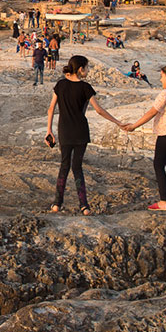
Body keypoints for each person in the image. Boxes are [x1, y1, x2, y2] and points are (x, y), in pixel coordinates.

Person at [44, 55, 121, 216]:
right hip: (80, 131)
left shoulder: (60, 85)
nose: (88, 70)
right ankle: (84, 206)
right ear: (80, 69)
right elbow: (99, 110)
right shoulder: (86, 88)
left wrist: (49, 131)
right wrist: (118, 122)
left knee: (64, 166)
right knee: (77, 168)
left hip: (64, 130)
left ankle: (57, 204)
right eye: (87, 67)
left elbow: (51, 109)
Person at [121, 64, 166, 211]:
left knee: (158, 165)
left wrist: (134, 126)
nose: (160, 80)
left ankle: (164, 201)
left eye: (162, 76)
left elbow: (151, 112)